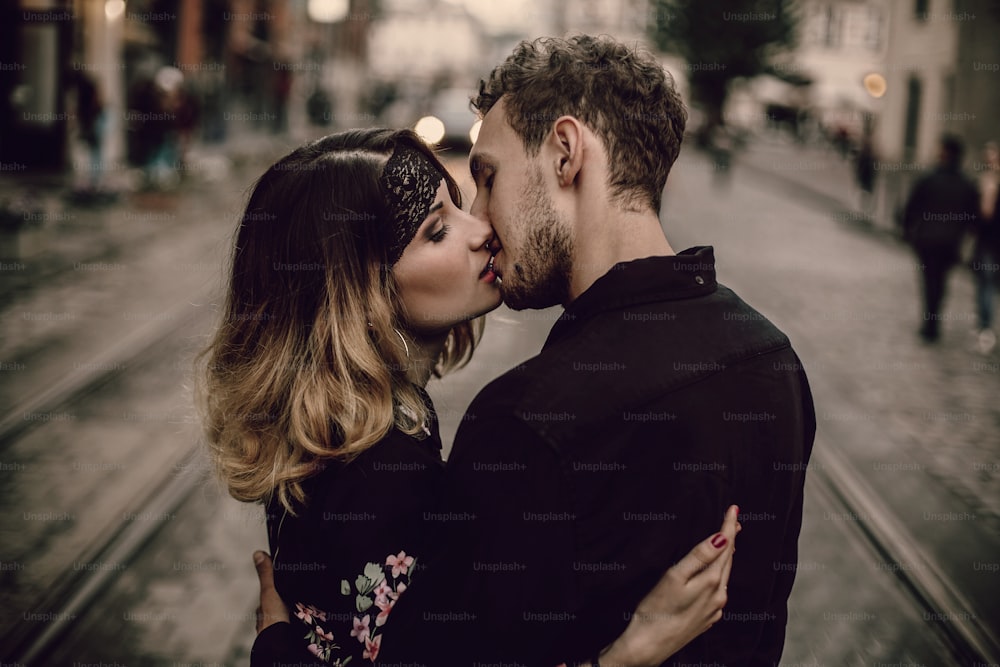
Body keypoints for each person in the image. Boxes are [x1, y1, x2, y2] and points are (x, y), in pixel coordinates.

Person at [256, 35, 816, 666]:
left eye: (487, 177)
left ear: (566, 153)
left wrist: (278, 650)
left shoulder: (525, 423)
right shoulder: (776, 362)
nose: (484, 220)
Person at [199, 127, 740, 666]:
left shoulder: (354, 425)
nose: (481, 228)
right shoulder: (380, 470)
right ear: (358, 292)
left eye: (457, 206)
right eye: (436, 231)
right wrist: (633, 653)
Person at [903, 134, 980, 342]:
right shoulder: (966, 184)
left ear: (945, 153)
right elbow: (974, 217)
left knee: (930, 281)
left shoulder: (928, 178)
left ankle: (930, 322)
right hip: (950, 242)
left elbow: (911, 208)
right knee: (941, 281)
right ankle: (933, 320)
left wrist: (908, 232)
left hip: (928, 240)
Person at [972, 141, 1000, 353]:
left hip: (989, 242)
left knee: (986, 285)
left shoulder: (991, 181)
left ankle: (985, 329)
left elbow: (986, 213)